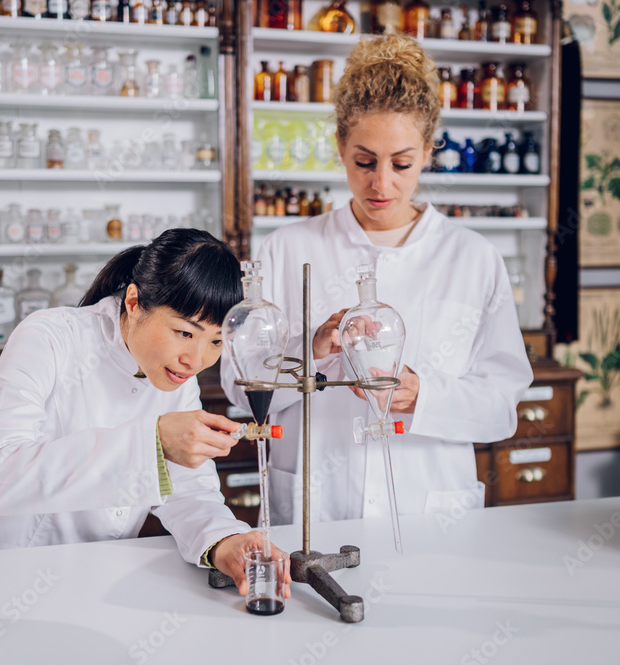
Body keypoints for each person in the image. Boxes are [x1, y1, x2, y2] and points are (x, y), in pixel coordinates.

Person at [222, 35, 533, 527]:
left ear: (428, 152)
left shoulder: (474, 258)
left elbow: (501, 409)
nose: (381, 183)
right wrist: (310, 353)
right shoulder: (286, 249)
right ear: (340, 147)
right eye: (364, 161)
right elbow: (239, 388)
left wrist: (421, 395)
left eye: (402, 163)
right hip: (312, 513)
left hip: (429, 515)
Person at [0, 228, 290, 596]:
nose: (196, 360)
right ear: (133, 302)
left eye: (216, 341)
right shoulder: (48, 338)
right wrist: (153, 443)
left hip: (98, 576)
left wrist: (225, 540)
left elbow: (190, 489)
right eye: (184, 333)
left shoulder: (177, 375)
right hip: (2, 571)